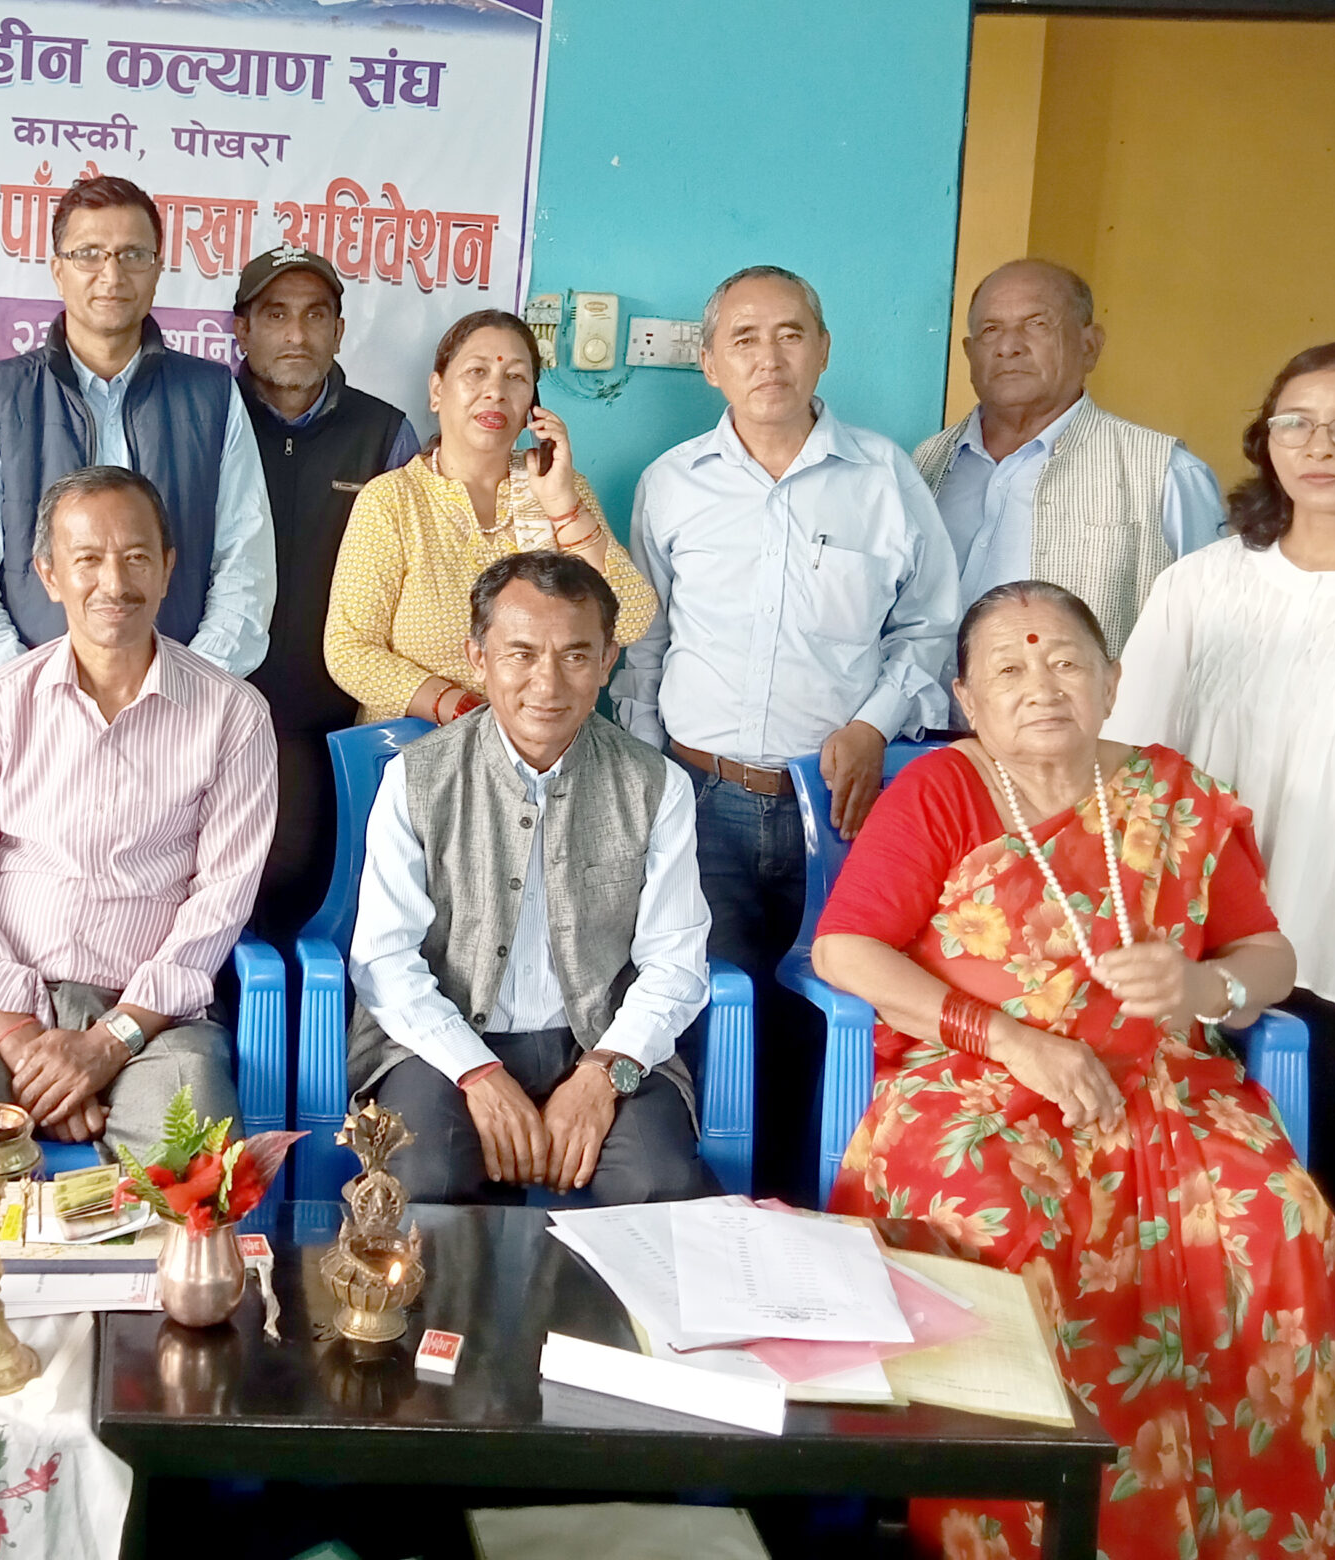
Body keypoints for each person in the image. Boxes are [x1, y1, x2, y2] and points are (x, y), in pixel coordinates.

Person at [814, 580, 1335, 1560]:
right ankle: (1006, 1535)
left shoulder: (1170, 794)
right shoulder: (940, 790)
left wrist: (1205, 986)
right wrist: (1011, 1040)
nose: (1041, 686)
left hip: (1166, 1091)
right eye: (1008, 669)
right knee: (997, 1225)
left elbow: (1269, 956)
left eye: (1066, 662)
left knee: (1279, 1223)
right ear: (966, 699)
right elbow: (845, 950)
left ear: (1111, 682)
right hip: (977, 1085)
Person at [1106, 339, 1335, 1418]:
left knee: (1329, 1186)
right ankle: (1175, 1411)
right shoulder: (1202, 581)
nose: (1321, 444)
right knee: (1175, 1175)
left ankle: (1318, 1425)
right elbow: (1129, 755)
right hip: (1191, 937)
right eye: (1296, 422)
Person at [612, 265, 957, 1190]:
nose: (769, 358)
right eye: (744, 339)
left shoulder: (884, 479)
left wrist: (876, 726)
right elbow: (645, 645)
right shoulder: (671, 484)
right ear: (711, 364)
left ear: (823, 349)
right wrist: (648, 784)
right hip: (701, 798)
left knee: (833, 1024)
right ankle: (717, 1218)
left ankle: (813, 1212)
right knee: (708, 1016)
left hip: (840, 805)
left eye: (790, 334)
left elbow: (930, 631)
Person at [0, 467, 277, 1157]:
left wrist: (106, 1044)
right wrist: (32, 1048)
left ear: (167, 569)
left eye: (136, 557)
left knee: (191, 1175)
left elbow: (220, 901)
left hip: (150, 1018)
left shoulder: (233, 716)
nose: (113, 584)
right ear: (49, 575)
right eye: (87, 559)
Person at [348, 552, 713, 1207]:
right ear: (479, 658)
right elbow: (384, 959)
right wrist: (477, 1070)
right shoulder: (417, 779)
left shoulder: (657, 785)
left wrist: (603, 1073)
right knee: (423, 1183)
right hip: (443, 1047)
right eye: (521, 654)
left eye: (575, 655)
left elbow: (676, 963)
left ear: (607, 661)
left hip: (601, 1041)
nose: (548, 683)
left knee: (660, 1186)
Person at [0, 174, 276, 682]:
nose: (111, 275)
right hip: (32, 705)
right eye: (89, 254)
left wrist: (188, 687)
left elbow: (246, 568)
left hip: (183, 703)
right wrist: (33, 694)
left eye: (133, 255)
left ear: (157, 270)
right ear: (58, 271)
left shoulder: (213, 396)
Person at [324, 309, 656, 729]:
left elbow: (630, 622)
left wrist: (561, 504)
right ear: (437, 391)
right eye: (477, 372)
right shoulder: (392, 500)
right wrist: (467, 713)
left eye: (515, 377)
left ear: (532, 406)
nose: (496, 392)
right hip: (422, 745)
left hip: (545, 747)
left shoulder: (560, 487)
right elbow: (349, 649)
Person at [231, 244, 420, 942]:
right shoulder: (209, 416)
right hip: (215, 709)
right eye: (275, 314)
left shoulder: (384, 433)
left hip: (334, 718)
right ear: (242, 330)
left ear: (339, 331)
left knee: (311, 897)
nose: (296, 334)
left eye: (315, 316)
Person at [914, 259, 1223, 655]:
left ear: (1090, 346)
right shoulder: (925, 465)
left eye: (1036, 324)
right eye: (991, 329)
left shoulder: (1163, 473)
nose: (1008, 346)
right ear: (969, 353)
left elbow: (1213, 640)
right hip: (924, 698)